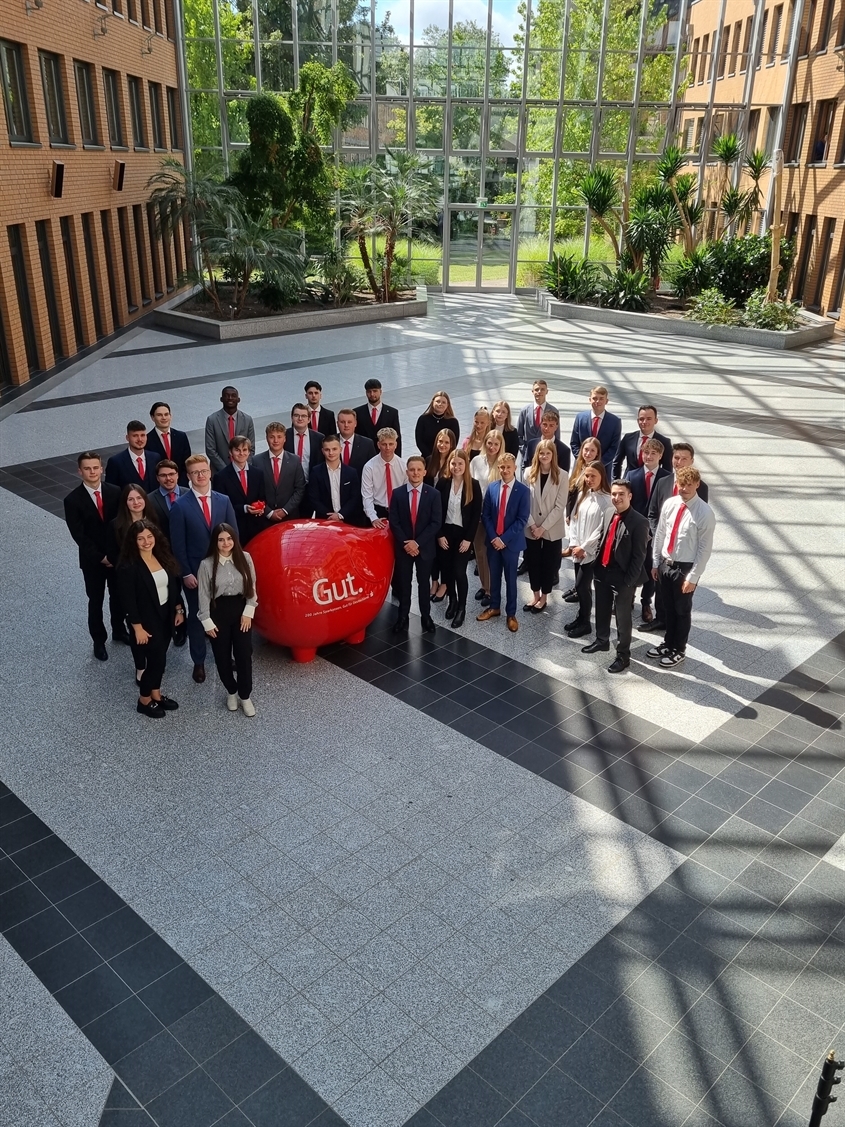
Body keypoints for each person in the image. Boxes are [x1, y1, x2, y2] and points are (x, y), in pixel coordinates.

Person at [169, 455, 238, 683]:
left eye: (204, 471)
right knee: (199, 616)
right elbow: (178, 545)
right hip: (195, 574)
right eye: (195, 472)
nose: (200, 475)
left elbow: (233, 536)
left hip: (223, 571)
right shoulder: (180, 506)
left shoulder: (223, 501)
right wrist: (186, 573)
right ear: (188, 476)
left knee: (224, 616)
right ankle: (198, 661)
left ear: (209, 472)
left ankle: (224, 656)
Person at [649, 466, 715, 669]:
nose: (684, 488)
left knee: (682, 610)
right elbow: (660, 533)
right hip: (666, 564)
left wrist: (693, 577)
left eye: (688, 484)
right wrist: (655, 562)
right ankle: (668, 643)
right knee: (667, 608)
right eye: (681, 483)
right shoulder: (670, 504)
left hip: (685, 569)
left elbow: (704, 549)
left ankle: (679, 649)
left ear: (697, 484)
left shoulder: (704, 512)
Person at [642, 441, 710, 634]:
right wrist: (658, 534)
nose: (678, 462)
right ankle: (660, 618)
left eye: (683, 458)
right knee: (660, 584)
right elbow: (653, 513)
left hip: (683, 552)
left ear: (692, 461)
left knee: (679, 599)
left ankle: (676, 638)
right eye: (676, 457)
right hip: (661, 545)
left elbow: (697, 518)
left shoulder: (700, 487)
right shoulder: (663, 481)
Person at [117, 520, 184, 718]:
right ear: (133, 541)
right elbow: (128, 601)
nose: (146, 542)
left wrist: (179, 610)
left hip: (166, 614)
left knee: (161, 659)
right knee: (156, 661)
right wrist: (137, 627)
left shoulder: (162, 556)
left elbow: (173, 586)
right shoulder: (128, 566)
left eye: (149, 537)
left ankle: (156, 694)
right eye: (140, 539)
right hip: (145, 619)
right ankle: (144, 700)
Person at [582, 480, 649, 673]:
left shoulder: (639, 522)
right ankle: (602, 640)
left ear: (630, 496)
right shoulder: (609, 512)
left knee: (622, 617)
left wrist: (629, 582)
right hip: (603, 571)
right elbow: (603, 538)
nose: (616, 498)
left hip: (623, 578)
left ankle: (623, 655)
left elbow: (639, 557)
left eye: (621, 494)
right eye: (613, 494)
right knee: (601, 609)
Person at [64, 451, 124, 660]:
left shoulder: (115, 492)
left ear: (102, 468)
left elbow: (120, 526)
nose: (92, 472)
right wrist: (101, 557)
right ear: (80, 471)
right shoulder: (72, 500)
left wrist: (114, 555)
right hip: (93, 561)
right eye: (87, 468)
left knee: (118, 597)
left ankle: (119, 629)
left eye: (95, 467)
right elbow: (79, 535)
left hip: (115, 557)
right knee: (96, 600)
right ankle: (99, 640)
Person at [198, 523, 258, 715]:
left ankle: (245, 695)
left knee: (243, 656)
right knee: (222, 657)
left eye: (229, 538)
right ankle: (231, 691)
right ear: (215, 542)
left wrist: (248, 612)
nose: (226, 543)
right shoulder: (206, 564)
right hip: (218, 613)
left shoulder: (245, 558)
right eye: (221, 539)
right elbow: (204, 595)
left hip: (241, 612)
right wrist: (206, 621)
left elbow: (252, 587)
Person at [388, 456, 441, 634]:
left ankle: (426, 616)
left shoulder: (433, 494)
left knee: (423, 583)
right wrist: (407, 544)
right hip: (404, 549)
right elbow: (394, 521)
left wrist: (417, 543)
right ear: (407, 472)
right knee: (404, 583)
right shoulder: (397, 493)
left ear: (425, 472)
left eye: (419, 470)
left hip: (424, 548)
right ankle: (402, 616)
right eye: (412, 470)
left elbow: (435, 522)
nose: (415, 473)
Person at [477, 454, 530, 632]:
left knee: (511, 579)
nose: (505, 470)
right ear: (498, 468)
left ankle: (511, 614)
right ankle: (494, 607)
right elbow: (486, 515)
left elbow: (522, 520)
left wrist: (503, 539)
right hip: (493, 542)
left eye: (508, 467)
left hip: (511, 544)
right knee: (494, 576)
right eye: (502, 467)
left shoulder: (523, 491)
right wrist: (494, 538)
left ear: (515, 468)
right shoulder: (492, 488)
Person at [562, 461, 612, 637]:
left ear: (601, 477)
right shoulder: (583, 494)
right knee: (580, 586)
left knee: (582, 586)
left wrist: (584, 547)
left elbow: (602, 530)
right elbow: (574, 520)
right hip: (578, 550)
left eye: (593, 476)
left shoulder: (607, 500)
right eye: (587, 475)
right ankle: (581, 617)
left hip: (591, 553)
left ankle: (585, 623)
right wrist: (574, 543)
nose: (589, 479)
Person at [626, 438, 671, 624]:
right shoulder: (632, 474)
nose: (649, 456)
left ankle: (646, 603)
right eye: (646, 452)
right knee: (631, 564)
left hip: (657, 531)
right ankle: (629, 598)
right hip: (634, 530)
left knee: (650, 568)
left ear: (660, 456)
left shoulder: (667, 478)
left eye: (653, 453)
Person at [436, 448, 481, 628]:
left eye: (460, 463)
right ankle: (452, 600)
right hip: (446, 534)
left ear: (466, 465)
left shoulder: (473, 485)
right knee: (446, 571)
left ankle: (461, 608)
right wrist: (439, 534)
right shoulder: (442, 483)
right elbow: (436, 511)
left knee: (459, 572)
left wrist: (469, 539)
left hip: (463, 536)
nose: (456, 467)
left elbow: (476, 513)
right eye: (453, 463)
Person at [523, 441, 568, 614]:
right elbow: (524, 502)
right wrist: (533, 525)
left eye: (547, 453)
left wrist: (543, 528)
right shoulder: (528, 473)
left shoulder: (562, 475)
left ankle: (544, 597)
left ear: (553, 455)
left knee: (548, 564)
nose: (544, 456)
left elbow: (560, 506)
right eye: (541, 453)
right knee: (533, 562)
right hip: (531, 526)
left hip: (551, 528)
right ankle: (535, 596)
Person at [469, 428, 505, 606]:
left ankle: (493, 590)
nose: (492, 447)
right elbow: (469, 485)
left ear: (501, 446)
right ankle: (485, 586)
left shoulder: (503, 463)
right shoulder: (476, 461)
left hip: (495, 516)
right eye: (489, 443)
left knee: (493, 554)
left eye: (496, 444)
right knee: (480, 552)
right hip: (478, 514)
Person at [212, 436, 266, 544]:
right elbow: (222, 507)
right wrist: (244, 508)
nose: (241, 453)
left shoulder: (258, 474)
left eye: (244, 450)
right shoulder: (221, 477)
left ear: (249, 452)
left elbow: (263, 497)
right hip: (235, 529)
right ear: (230, 452)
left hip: (256, 527)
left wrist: (261, 507)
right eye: (237, 450)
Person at [253, 423, 306, 523]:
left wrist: (285, 510)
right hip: (265, 519)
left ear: (285, 438)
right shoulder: (257, 461)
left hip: (290, 517)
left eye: (279, 437)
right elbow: (254, 491)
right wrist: (269, 512)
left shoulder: (295, 460)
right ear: (266, 438)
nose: (276, 441)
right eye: (272, 437)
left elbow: (300, 489)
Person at [309, 435, 364, 525]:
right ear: (323, 451)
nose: (331, 453)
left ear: (340, 449)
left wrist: (340, 515)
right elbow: (314, 498)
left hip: (348, 520)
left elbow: (355, 497)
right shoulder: (316, 471)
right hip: (324, 521)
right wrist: (330, 516)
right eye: (327, 450)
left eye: (334, 449)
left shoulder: (351, 472)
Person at [570, 386, 622, 476]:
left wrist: (598, 464)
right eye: (594, 398)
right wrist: (583, 461)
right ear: (590, 400)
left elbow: (614, 448)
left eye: (601, 399)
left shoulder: (615, 421)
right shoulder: (580, 418)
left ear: (606, 401)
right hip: (581, 467)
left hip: (603, 469)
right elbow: (574, 443)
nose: (598, 401)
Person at [361, 428, 407, 528]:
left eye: (391, 444)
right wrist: (374, 518)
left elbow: (407, 493)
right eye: (384, 444)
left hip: (398, 509)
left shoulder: (404, 466)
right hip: (378, 510)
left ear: (396, 445)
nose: (387, 448)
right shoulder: (369, 467)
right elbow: (367, 496)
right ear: (378, 445)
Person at [613, 404, 673, 477]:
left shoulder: (664, 442)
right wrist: (616, 483)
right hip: (629, 483)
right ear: (638, 421)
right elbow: (617, 462)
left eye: (649, 419)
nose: (644, 422)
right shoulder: (628, 438)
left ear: (656, 420)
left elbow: (667, 467)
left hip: (652, 483)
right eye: (641, 419)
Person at [205, 386, 256, 473]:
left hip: (243, 471)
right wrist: (227, 471)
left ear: (238, 399)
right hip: (220, 471)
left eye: (233, 395)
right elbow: (210, 450)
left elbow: (251, 448)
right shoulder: (212, 420)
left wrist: (242, 467)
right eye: (226, 395)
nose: (230, 398)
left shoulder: (247, 420)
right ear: (221, 399)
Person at [105, 421, 161, 490]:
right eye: (135, 436)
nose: (140, 439)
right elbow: (111, 491)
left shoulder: (155, 458)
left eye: (143, 435)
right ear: (127, 438)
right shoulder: (115, 462)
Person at [146, 402, 191, 484]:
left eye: (166, 414)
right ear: (152, 417)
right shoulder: (147, 440)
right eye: (159, 415)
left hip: (181, 486)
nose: (164, 418)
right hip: (159, 486)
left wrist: (181, 484)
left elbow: (187, 463)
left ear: (170, 416)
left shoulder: (181, 436)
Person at [355, 379, 402, 454]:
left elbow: (397, 437)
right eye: (369, 391)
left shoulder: (392, 412)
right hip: (364, 454)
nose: (372, 394)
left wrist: (397, 458)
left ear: (380, 392)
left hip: (385, 454)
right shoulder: (358, 412)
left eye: (375, 391)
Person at [523, 408, 572, 475]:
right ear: (540, 424)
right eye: (545, 424)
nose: (547, 428)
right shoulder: (531, 444)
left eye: (551, 425)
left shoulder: (564, 450)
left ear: (556, 427)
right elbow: (525, 465)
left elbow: (564, 474)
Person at [147, 460, 188, 539]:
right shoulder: (149, 499)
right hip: (163, 545)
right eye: (163, 475)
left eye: (171, 474)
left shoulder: (190, 494)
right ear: (157, 478)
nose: (168, 478)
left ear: (177, 475)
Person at [285, 403, 324, 487]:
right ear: (291, 418)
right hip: (289, 485)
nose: (300, 418)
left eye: (303, 416)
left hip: (312, 484)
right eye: (296, 415)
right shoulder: (284, 436)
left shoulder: (319, 438)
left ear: (309, 419)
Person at [517, 380, 559, 456]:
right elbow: (519, 435)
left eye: (542, 389)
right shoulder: (524, 411)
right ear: (532, 391)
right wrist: (525, 451)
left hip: (546, 456)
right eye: (536, 389)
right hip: (528, 455)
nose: (539, 392)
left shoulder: (554, 411)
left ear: (547, 391)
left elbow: (557, 435)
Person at [415, 392, 460, 461]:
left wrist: (443, 457)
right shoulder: (423, 419)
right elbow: (419, 441)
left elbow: (454, 443)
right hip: (427, 458)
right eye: (438, 401)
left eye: (443, 402)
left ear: (448, 405)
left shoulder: (453, 422)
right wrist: (430, 457)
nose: (440, 404)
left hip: (445, 459)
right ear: (432, 402)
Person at [337, 409, 376, 473]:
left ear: (355, 423)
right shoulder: (329, 442)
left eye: (349, 422)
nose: (346, 425)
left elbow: (373, 469)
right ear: (337, 424)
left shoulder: (367, 444)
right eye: (342, 422)